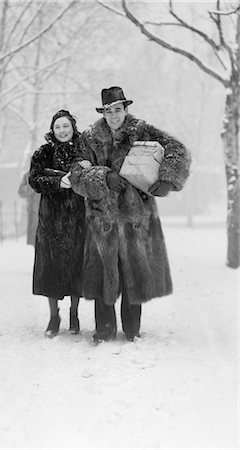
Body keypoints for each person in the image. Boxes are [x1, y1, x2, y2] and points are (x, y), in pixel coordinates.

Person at [70, 86, 191, 343]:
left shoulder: (143, 131)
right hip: (101, 217)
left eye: (117, 109)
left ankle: (132, 328)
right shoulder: (89, 138)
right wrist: (103, 176)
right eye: (108, 111)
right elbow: (77, 176)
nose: (113, 115)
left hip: (137, 216)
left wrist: (168, 179)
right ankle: (104, 328)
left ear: (126, 109)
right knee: (104, 272)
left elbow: (177, 149)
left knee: (133, 272)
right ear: (103, 112)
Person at [29, 109, 86, 338]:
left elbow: (93, 175)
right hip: (51, 220)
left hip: (78, 218)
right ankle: (54, 316)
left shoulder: (83, 150)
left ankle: (74, 312)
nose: (62, 131)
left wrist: (83, 171)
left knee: (76, 267)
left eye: (66, 126)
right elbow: (34, 179)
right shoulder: (43, 152)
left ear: (73, 128)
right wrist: (57, 182)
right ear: (52, 130)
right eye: (58, 127)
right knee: (51, 268)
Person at [18, 170, 40, 247]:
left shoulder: (50, 174)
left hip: (48, 215)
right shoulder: (27, 176)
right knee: (36, 243)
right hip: (34, 215)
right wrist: (31, 186)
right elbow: (21, 192)